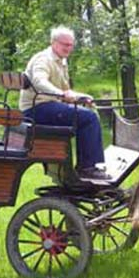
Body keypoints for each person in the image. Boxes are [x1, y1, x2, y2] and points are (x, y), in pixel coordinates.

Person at [19, 25, 111, 181]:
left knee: (86, 115)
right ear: (54, 42)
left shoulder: (61, 61)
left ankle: (84, 166)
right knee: (89, 118)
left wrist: (83, 97)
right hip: (36, 109)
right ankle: (87, 168)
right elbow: (39, 81)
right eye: (65, 44)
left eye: (71, 45)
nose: (68, 48)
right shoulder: (44, 58)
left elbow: (66, 90)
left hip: (48, 106)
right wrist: (61, 94)